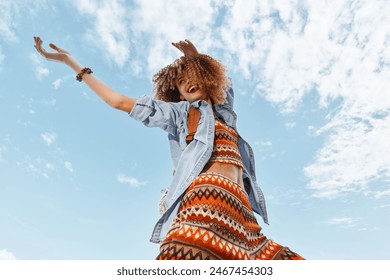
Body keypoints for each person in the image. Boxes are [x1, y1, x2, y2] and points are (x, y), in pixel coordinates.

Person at [33, 37, 304, 260]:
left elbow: (227, 89)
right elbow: (117, 101)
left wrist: (195, 57)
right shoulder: (180, 113)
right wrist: (72, 63)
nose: (186, 83)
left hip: (243, 214)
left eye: (192, 76)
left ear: (208, 79)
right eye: (181, 83)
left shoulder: (224, 116)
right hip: (205, 199)